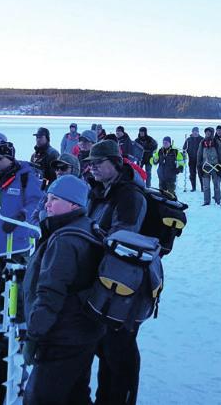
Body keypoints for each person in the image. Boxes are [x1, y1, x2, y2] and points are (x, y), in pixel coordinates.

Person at [22, 175, 105, 405]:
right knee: (76, 394)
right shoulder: (87, 227)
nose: (47, 204)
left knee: (40, 398)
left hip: (61, 337)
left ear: (74, 205)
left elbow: (50, 295)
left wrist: (33, 336)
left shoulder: (64, 241)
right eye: (47, 198)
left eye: (54, 199)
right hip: (83, 332)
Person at [83, 140, 147, 405]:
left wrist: (93, 235)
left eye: (99, 163)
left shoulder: (129, 195)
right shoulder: (100, 191)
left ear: (116, 163)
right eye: (90, 164)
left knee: (120, 350)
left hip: (125, 288)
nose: (93, 168)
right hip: (105, 283)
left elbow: (125, 239)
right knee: (105, 347)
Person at [0, 142, 42, 319]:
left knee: (18, 295)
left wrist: (21, 217)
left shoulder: (25, 178)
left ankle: (18, 332)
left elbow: (37, 202)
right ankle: (2, 326)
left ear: (10, 159)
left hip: (15, 247)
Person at [30, 153, 82, 225]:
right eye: (56, 168)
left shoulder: (83, 193)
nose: (59, 172)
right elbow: (34, 217)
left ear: (75, 170)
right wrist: (43, 228)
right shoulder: (51, 190)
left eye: (63, 168)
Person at [197, 127, 221, 206]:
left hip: (215, 167)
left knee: (216, 186)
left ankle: (217, 201)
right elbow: (199, 154)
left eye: (209, 132)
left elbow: (220, 154)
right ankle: (206, 201)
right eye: (206, 132)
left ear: (212, 133)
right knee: (206, 186)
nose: (208, 134)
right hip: (205, 167)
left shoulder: (216, 142)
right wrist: (199, 165)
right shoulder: (202, 142)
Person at [182, 127, 204, 192]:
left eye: (196, 131)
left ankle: (203, 188)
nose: (195, 132)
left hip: (200, 160)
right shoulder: (188, 139)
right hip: (191, 160)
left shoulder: (202, 139)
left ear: (198, 132)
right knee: (192, 174)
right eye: (194, 131)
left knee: (201, 174)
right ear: (192, 132)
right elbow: (184, 148)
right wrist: (184, 153)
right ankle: (193, 187)